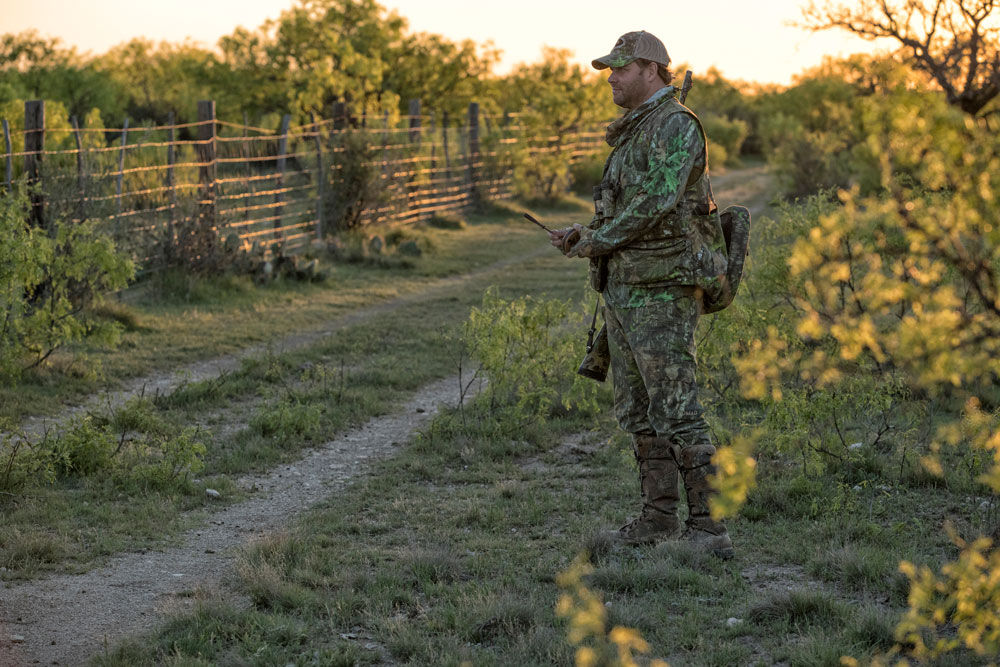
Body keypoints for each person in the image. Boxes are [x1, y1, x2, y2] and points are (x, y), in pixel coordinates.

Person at [549, 31, 733, 557]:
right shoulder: (635, 131)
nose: (611, 78)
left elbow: (657, 199)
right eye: (610, 69)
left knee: (677, 407)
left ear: (651, 69)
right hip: (627, 287)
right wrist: (583, 233)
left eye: (620, 68)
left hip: (664, 287)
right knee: (638, 408)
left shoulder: (675, 125)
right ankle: (658, 519)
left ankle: (709, 531)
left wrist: (598, 240)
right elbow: (624, 205)